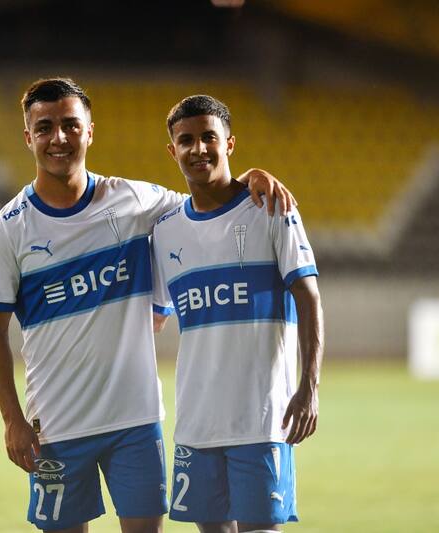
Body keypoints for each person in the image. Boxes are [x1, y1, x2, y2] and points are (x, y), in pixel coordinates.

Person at [0, 77, 296, 533]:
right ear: (28, 137)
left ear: (89, 131)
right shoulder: (6, 230)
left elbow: (209, 200)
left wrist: (249, 176)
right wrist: (11, 419)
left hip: (136, 421)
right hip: (56, 428)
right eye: (44, 128)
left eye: (70, 124)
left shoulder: (135, 201)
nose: (58, 138)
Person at [151, 95, 323, 533]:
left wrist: (309, 386)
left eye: (209, 137)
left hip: (262, 419)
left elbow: (309, 297)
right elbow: (155, 318)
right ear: (173, 151)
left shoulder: (271, 209)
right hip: (196, 421)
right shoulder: (165, 232)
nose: (198, 149)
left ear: (230, 143)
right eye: (186, 140)